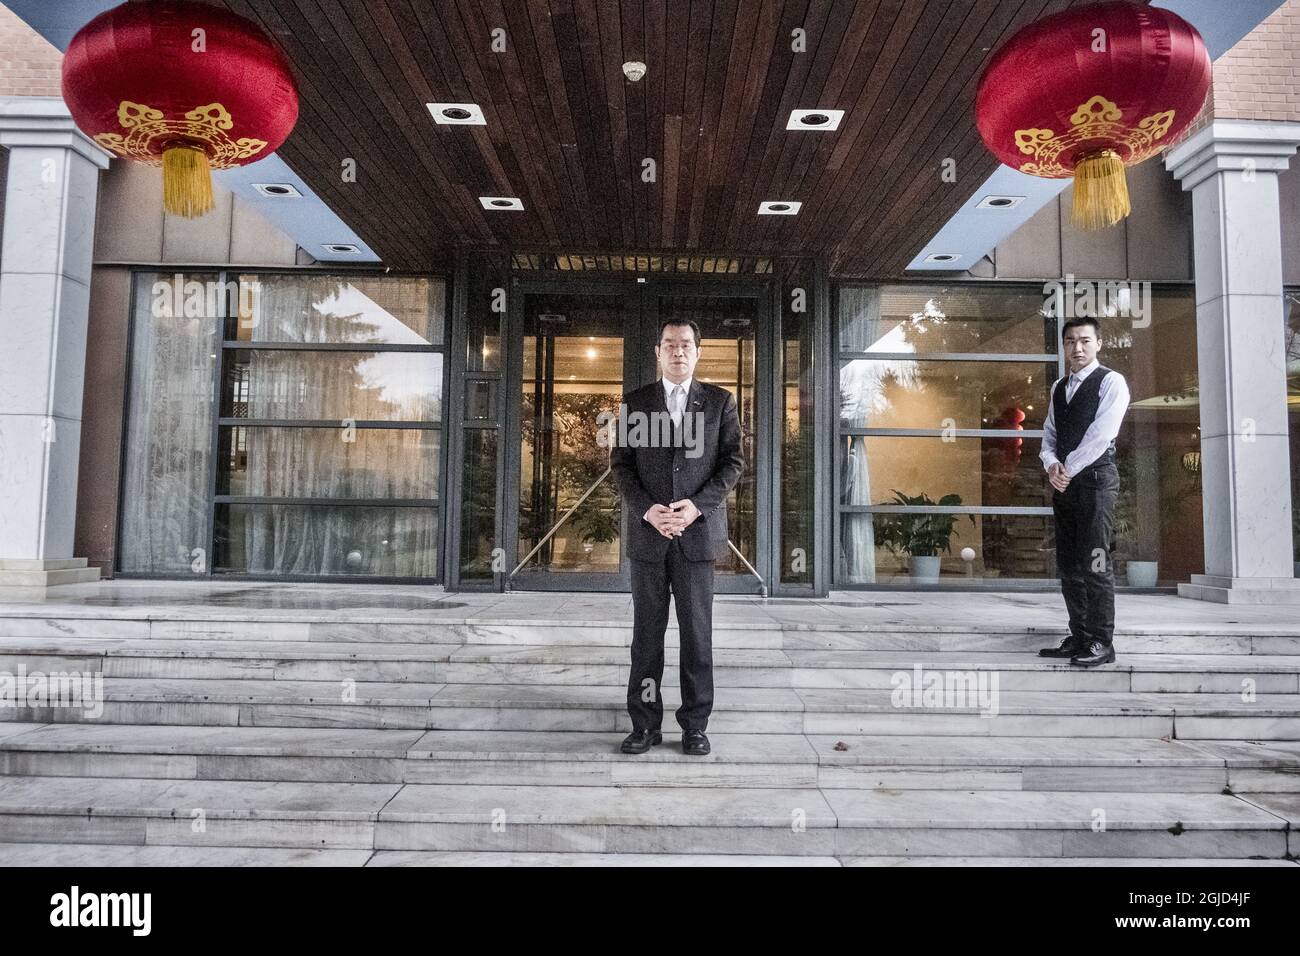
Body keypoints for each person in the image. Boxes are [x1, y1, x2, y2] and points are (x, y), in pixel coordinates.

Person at [610, 318, 744, 755]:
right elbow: (622, 467)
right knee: (646, 638)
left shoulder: (721, 402)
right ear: (657, 351)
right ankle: (645, 724)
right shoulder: (635, 404)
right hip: (650, 539)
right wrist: (648, 510)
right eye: (670, 344)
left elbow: (732, 464)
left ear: (698, 352)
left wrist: (697, 506)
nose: (678, 351)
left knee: (696, 636)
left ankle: (695, 725)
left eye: (686, 344)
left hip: (697, 536)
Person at [1038, 316, 1130, 667]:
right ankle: (1079, 636)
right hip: (1065, 482)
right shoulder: (1059, 388)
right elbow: (1050, 433)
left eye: (1084, 341)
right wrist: (1051, 465)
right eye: (1070, 341)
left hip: (1095, 481)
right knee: (1070, 564)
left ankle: (1102, 642)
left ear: (1098, 344)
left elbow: (1101, 434)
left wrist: (1067, 469)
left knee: (1095, 561)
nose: (1077, 347)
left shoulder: (1112, 382)